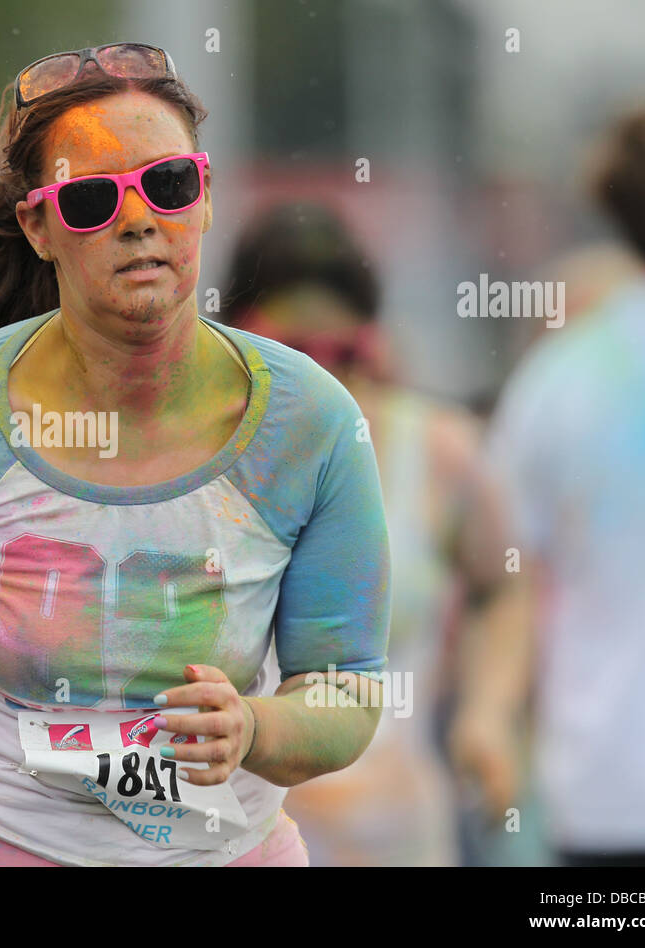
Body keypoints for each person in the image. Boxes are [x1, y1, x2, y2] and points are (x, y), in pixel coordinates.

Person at [0, 43, 391, 867]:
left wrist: (254, 727)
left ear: (205, 197)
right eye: (93, 201)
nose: (139, 219)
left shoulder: (312, 424)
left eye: (170, 186)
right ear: (38, 227)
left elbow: (346, 689)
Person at [223, 202, 523, 865]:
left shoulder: (441, 451)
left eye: (346, 355)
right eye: (296, 356)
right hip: (242, 834)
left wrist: (487, 714)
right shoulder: (191, 462)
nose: (325, 381)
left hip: (398, 836)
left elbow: (504, 590)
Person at [455, 101, 645, 865]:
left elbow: (505, 579)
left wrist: (489, 717)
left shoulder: (557, 379)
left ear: (612, 208)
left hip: (606, 794)